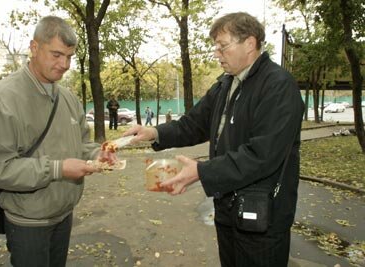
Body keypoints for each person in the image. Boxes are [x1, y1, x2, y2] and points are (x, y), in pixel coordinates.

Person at [125, 12, 304, 267]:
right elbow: (194, 123)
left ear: (250, 43)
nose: (216, 54)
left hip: (263, 218)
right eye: (215, 47)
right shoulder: (225, 84)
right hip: (228, 209)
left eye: (223, 46)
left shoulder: (278, 86)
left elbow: (262, 155)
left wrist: (201, 171)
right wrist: (154, 133)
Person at [0, 16, 115, 267]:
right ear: (34, 47)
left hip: (63, 215)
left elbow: (82, 142)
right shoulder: (3, 99)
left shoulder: (69, 98)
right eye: (56, 54)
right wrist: (57, 168)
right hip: (28, 223)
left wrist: (96, 155)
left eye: (70, 57)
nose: (65, 64)